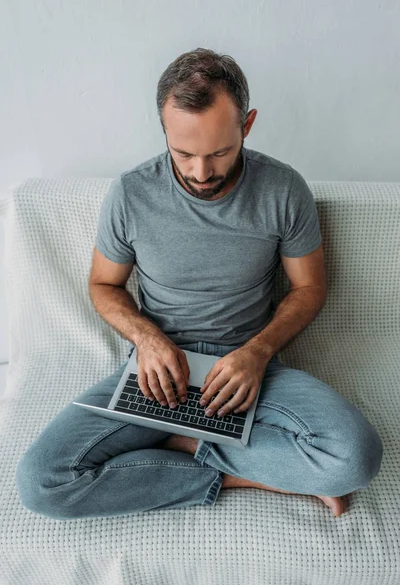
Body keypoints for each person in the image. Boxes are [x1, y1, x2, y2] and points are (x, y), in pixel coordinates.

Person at [16, 47, 383, 520]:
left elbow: (309, 288)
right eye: (183, 153)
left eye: (220, 152)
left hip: (250, 365)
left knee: (356, 457)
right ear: (164, 130)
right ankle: (236, 469)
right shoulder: (131, 193)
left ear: (246, 125)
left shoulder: (284, 190)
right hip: (156, 374)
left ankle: (182, 443)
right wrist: (146, 340)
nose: (200, 172)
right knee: (42, 483)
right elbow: (104, 285)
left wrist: (257, 352)